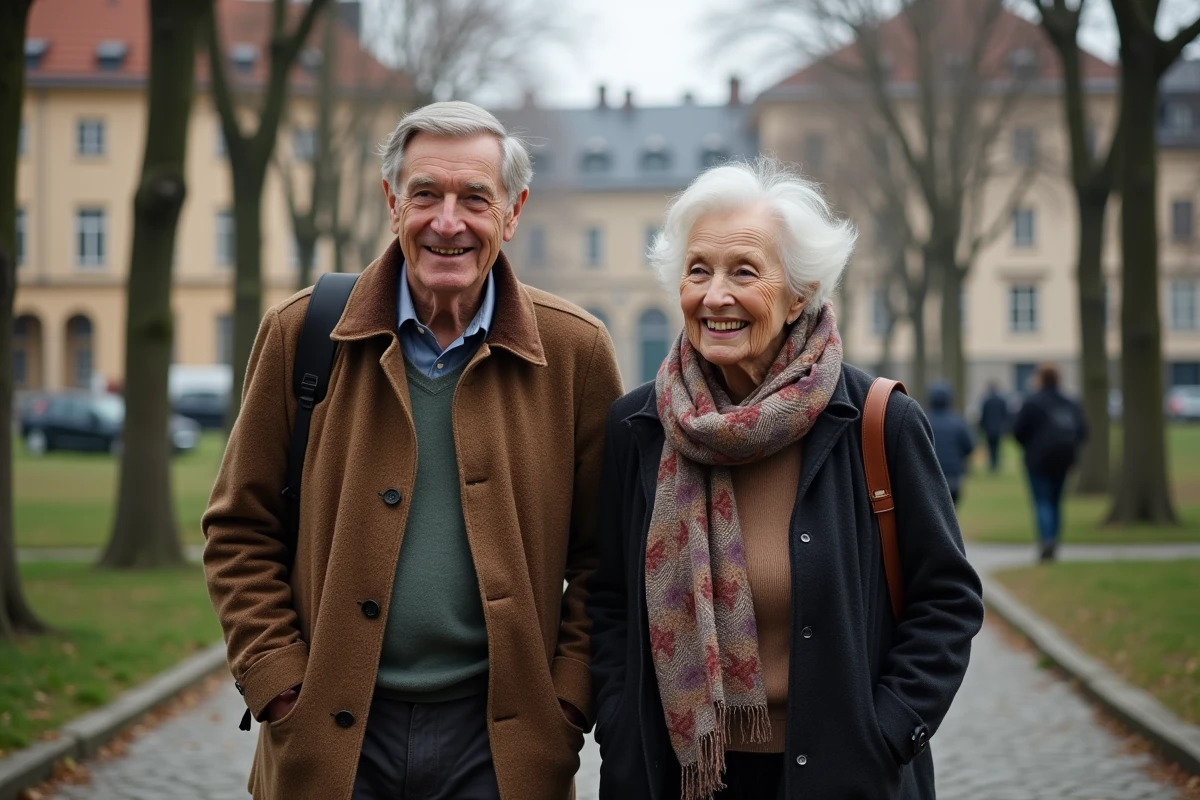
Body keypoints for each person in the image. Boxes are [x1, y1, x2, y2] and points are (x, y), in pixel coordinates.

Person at [203, 102, 623, 800]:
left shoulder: (575, 351)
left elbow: (604, 555)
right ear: (392, 201)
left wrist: (567, 701)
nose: (447, 221)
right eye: (425, 193)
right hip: (330, 740)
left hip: (500, 748)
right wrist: (277, 679)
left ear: (513, 212)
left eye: (474, 199)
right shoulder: (302, 332)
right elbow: (238, 527)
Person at [587, 159, 984, 800]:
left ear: (800, 291)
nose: (715, 295)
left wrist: (886, 734)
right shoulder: (638, 427)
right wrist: (620, 730)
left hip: (844, 777)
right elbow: (606, 602)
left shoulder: (876, 421)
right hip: (679, 778)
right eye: (698, 270)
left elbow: (948, 600)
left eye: (744, 271)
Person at [1012, 363, 1087, 562]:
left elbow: (1017, 431)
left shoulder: (1032, 402)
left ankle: (1046, 540)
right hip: (1063, 459)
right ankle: (1054, 540)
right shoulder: (1069, 402)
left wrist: (1029, 446)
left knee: (1042, 501)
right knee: (1056, 501)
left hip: (1037, 459)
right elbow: (1082, 431)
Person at [927, 382, 976, 506]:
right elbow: (969, 446)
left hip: (928, 476)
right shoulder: (957, 422)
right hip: (953, 476)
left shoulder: (923, 421)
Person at [978, 380, 1009, 473]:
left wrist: (982, 426)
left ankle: (992, 463)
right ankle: (996, 463)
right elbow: (1005, 414)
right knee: (997, 446)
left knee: (990, 447)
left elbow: (983, 415)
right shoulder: (1002, 400)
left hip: (988, 428)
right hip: (999, 427)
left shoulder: (986, 401)